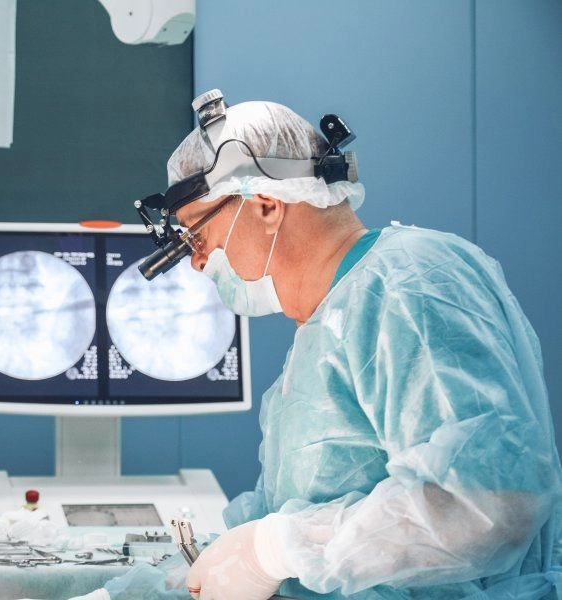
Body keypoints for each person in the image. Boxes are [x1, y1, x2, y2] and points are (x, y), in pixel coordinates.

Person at [109, 93, 562, 600]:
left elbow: (489, 504)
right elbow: (274, 527)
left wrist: (276, 549)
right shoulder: (326, 332)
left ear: (265, 206)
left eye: (196, 233)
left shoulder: (408, 287)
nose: (196, 261)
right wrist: (136, 592)